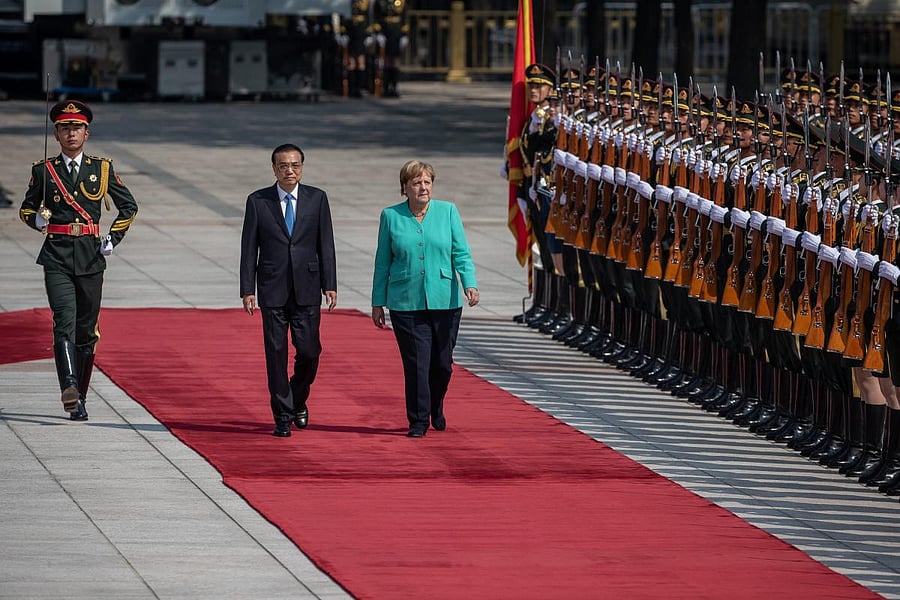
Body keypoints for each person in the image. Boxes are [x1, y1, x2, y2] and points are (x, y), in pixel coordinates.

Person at [18, 99, 138, 421]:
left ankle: (79, 398)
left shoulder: (102, 169)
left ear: (87, 133)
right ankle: (69, 384)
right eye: (64, 128)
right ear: (56, 134)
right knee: (64, 322)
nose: (71, 133)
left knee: (88, 332)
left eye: (77, 128)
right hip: (56, 256)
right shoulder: (44, 172)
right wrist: (38, 221)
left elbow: (129, 207)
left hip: (90, 258)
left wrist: (113, 238)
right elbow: (26, 209)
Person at [371, 160, 479, 437]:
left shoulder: (448, 212)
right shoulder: (391, 216)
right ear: (404, 187)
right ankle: (418, 421)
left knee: (442, 364)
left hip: (446, 300)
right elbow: (383, 261)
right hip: (406, 302)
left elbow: (461, 253)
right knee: (417, 364)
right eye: (417, 182)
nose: (423, 187)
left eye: (427, 182)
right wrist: (377, 302)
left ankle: (436, 403)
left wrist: (470, 284)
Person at [240, 143, 337, 438]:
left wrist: (329, 284)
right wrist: (247, 288)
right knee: (276, 355)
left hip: (307, 287)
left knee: (309, 351)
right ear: (274, 169)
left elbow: (326, 244)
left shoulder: (317, 199)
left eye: (295, 165)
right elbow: (249, 248)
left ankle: (297, 399)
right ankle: (282, 416)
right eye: (283, 165)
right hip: (272, 288)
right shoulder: (258, 201)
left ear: (302, 167)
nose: (289, 170)